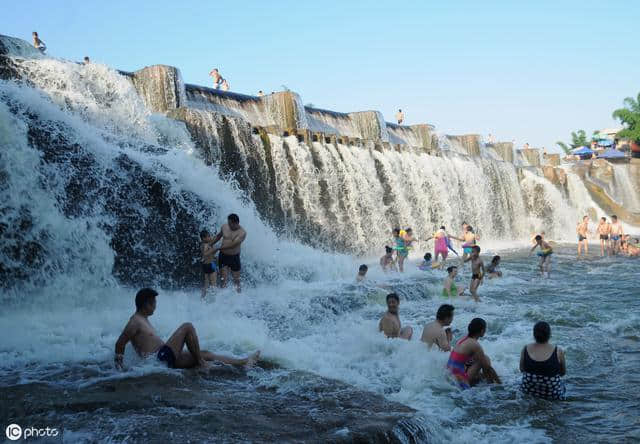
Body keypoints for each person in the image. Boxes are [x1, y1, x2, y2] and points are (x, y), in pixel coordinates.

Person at [114, 288, 260, 370]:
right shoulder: (135, 322)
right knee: (187, 326)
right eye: (154, 303)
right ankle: (202, 364)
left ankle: (243, 362)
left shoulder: (143, 319)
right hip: (160, 359)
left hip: (162, 358)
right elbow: (120, 343)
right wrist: (120, 368)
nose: (155, 306)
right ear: (146, 304)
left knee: (206, 353)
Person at [446, 318, 501, 389]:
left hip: (450, 377)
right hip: (461, 381)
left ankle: (482, 380)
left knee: (478, 362)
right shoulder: (475, 345)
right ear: (482, 331)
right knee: (485, 359)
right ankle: (490, 385)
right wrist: (499, 384)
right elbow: (487, 368)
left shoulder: (463, 339)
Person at [520, 321, 566, 400]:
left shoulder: (525, 349)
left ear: (534, 334)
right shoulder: (558, 351)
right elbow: (562, 373)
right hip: (552, 394)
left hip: (529, 391)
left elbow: (522, 369)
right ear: (549, 335)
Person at [211, 214, 246, 292]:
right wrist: (210, 244)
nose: (228, 225)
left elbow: (233, 245)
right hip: (223, 256)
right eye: (228, 222)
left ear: (236, 223)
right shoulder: (224, 227)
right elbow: (218, 236)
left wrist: (218, 248)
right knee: (223, 279)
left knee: (236, 281)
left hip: (234, 257)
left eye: (230, 223)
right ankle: (223, 300)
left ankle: (239, 297)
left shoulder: (242, 233)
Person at [200, 229, 218, 300]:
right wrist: (214, 250)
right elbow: (205, 253)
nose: (210, 237)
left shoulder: (202, 245)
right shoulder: (206, 245)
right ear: (204, 238)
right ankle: (214, 299)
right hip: (211, 264)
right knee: (213, 282)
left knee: (206, 283)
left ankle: (202, 298)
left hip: (205, 265)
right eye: (208, 236)